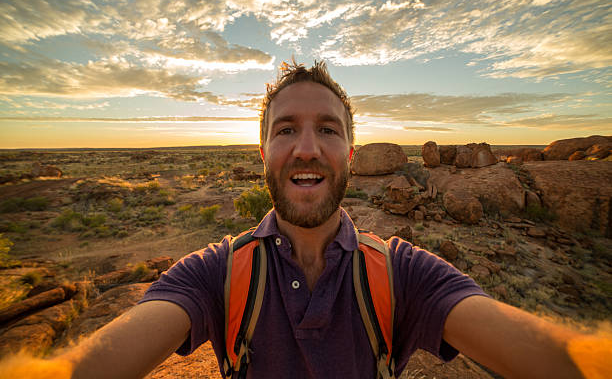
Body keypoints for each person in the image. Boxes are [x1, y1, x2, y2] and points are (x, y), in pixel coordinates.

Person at [1, 61, 609, 379]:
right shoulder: (218, 272)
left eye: (328, 130)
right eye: (285, 130)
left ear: (351, 152)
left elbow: (562, 359)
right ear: (261, 153)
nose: (307, 148)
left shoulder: (402, 273)